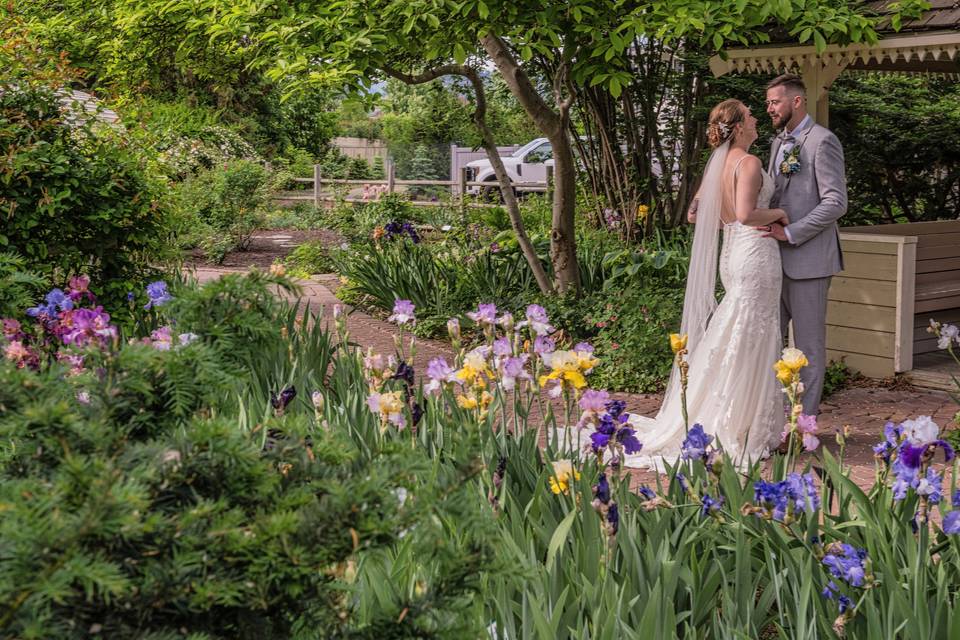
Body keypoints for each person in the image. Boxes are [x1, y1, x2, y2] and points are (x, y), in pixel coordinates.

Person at [623, 98, 789, 469]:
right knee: (752, 332)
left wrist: (729, 222)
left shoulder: (718, 165)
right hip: (755, 253)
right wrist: (779, 213)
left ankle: (728, 412)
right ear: (739, 126)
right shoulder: (748, 162)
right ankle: (740, 423)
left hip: (733, 254)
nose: (756, 118)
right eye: (750, 115)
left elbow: (695, 214)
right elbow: (747, 214)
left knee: (737, 329)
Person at [761, 74, 847, 416]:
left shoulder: (822, 141)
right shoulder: (776, 143)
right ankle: (773, 417)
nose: (769, 108)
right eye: (767, 102)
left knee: (807, 347)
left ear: (797, 101)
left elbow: (836, 202)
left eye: (775, 101)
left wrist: (792, 232)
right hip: (771, 261)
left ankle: (802, 425)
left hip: (809, 259)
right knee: (770, 343)